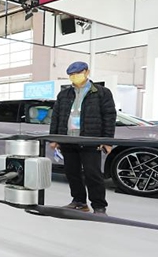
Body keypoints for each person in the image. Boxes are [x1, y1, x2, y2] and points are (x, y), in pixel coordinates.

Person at [49, 61, 116, 215]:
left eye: (77, 73)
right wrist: (54, 138)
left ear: (86, 72)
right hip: (68, 139)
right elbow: (56, 117)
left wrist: (107, 140)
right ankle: (79, 201)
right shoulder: (64, 94)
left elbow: (109, 117)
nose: (74, 77)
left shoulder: (101, 92)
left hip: (90, 140)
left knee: (93, 174)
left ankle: (99, 205)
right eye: (71, 75)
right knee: (72, 173)